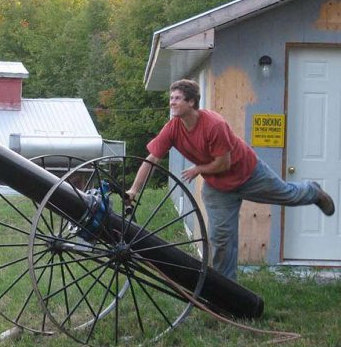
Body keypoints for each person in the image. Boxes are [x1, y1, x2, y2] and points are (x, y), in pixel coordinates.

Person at [126, 79, 335, 281]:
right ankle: (227, 293)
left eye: (177, 98)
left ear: (191, 102)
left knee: (289, 194)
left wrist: (198, 168)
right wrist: (134, 190)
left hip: (249, 174)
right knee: (222, 240)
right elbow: (151, 159)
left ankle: (313, 191)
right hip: (218, 188)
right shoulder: (172, 128)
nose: (172, 102)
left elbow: (223, 164)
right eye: (171, 98)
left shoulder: (214, 125)